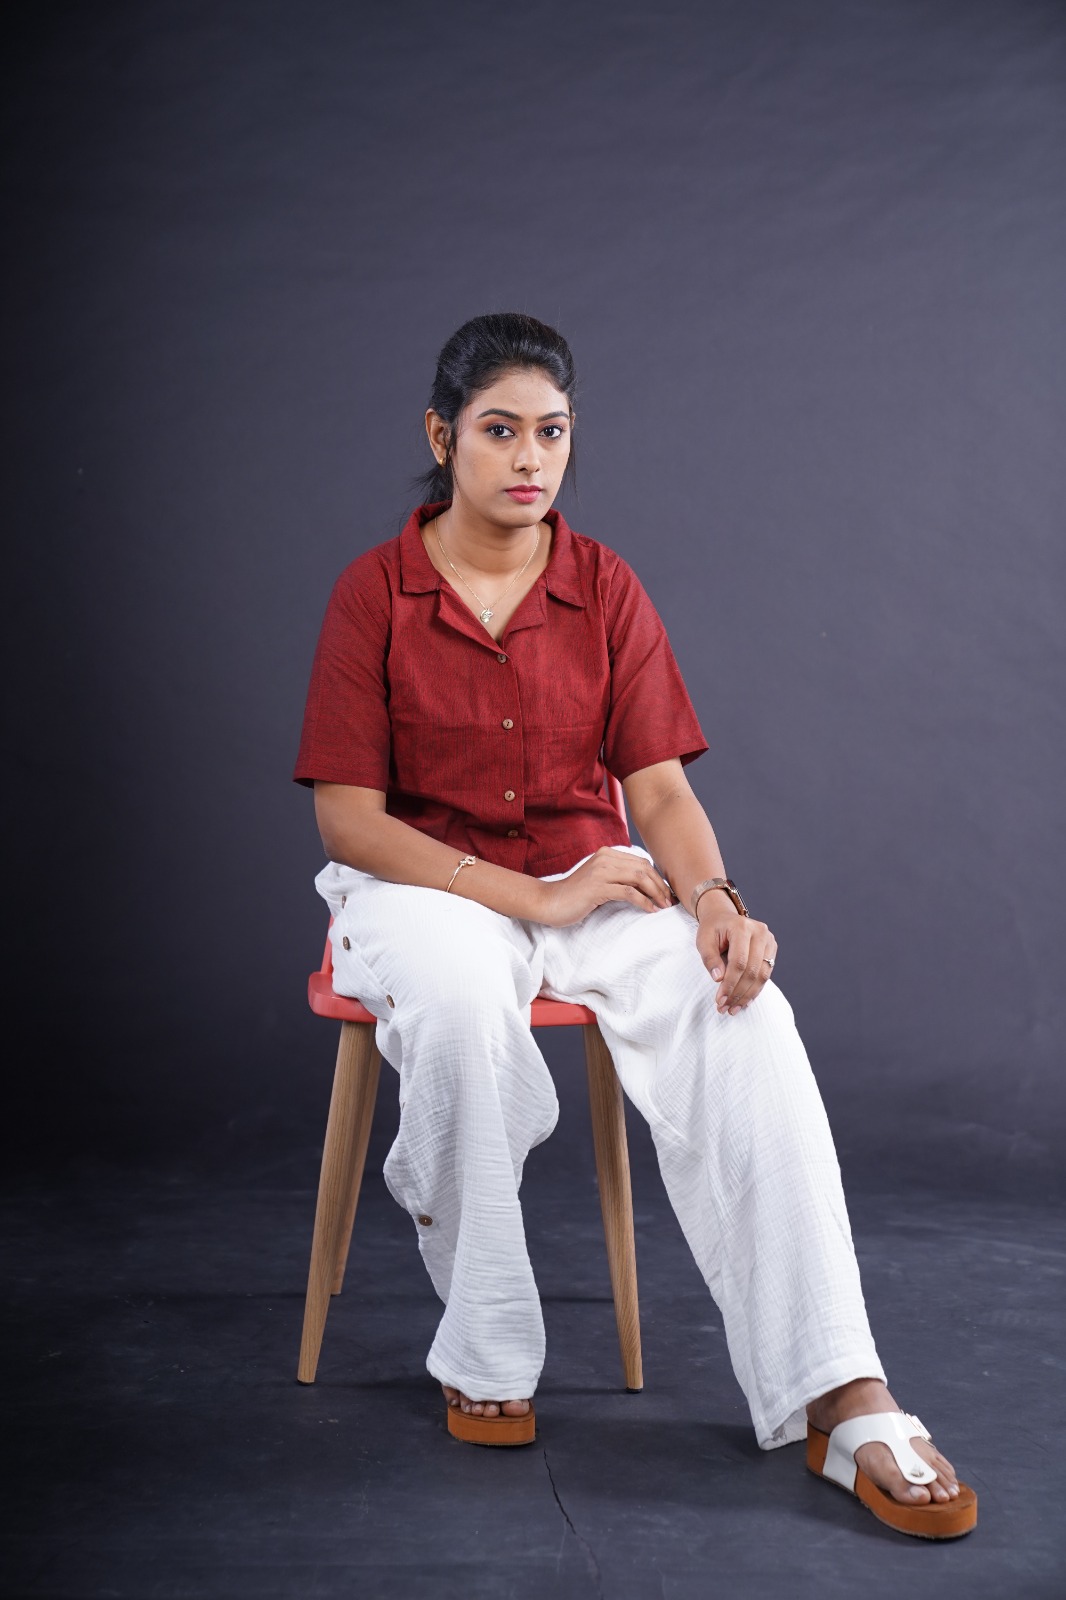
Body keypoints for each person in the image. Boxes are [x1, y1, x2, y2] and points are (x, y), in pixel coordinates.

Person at [293, 311, 975, 1539]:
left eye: (551, 432)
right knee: (458, 998)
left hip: (591, 875)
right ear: (442, 437)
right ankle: (485, 1342)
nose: (529, 459)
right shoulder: (374, 592)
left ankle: (840, 1388)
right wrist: (531, 899)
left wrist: (716, 903)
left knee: (744, 1013)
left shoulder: (602, 584)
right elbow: (349, 819)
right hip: (424, 886)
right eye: (500, 430)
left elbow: (655, 791)